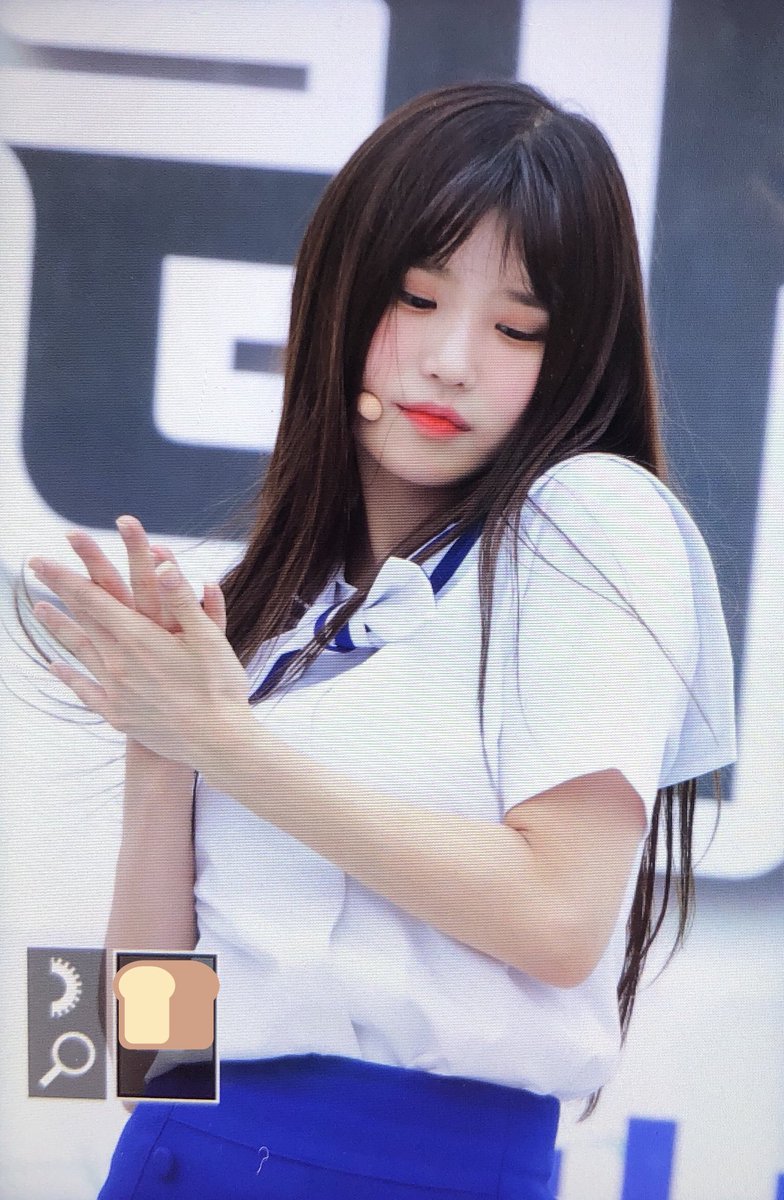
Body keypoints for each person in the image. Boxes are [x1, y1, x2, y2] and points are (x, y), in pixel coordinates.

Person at [21, 80, 736, 1200]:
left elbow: (559, 918)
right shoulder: (266, 609)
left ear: (573, 356)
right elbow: (135, 1064)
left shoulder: (597, 515)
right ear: (340, 296)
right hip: (173, 1158)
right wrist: (159, 753)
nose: (451, 360)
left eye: (515, 327)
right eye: (416, 297)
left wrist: (227, 743)